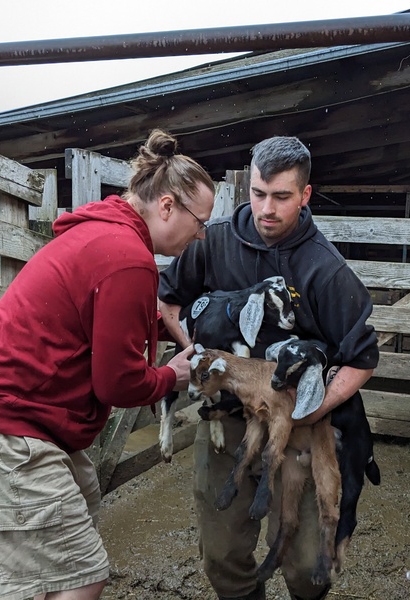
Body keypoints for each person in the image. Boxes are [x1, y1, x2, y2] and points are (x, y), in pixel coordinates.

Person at [0, 129, 215, 600]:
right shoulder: (126, 258)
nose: (202, 234)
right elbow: (117, 383)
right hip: (3, 431)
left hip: (31, 423)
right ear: (167, 207)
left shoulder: (107, 236)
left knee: (77, 527)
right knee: (76, 578)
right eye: (200, 221)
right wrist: (173, 375)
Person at [158, 136, 378, 600]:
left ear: (305, 195)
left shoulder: (327, 270)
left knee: (303, 566)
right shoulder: (212, 242)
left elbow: (361, 360)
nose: (267, 209)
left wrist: (313, 409)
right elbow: (167, 299)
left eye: (281, 197)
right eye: (259, 194)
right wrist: (199, 354)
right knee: (221, 554)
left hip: (300, 428)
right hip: (228, 420)